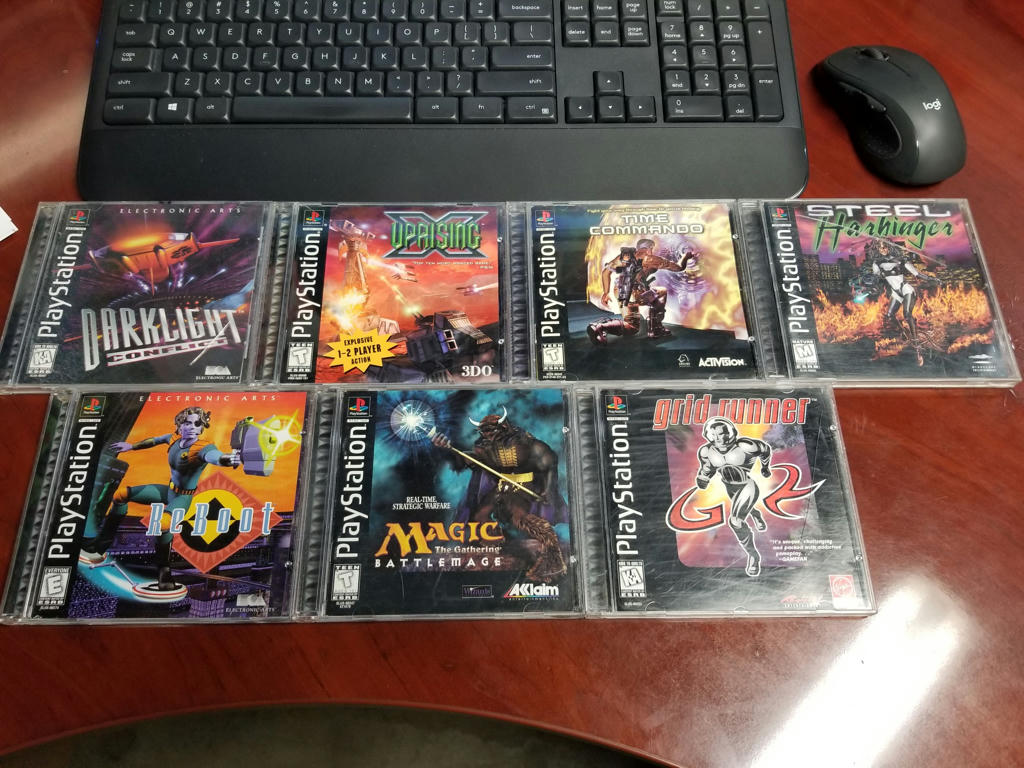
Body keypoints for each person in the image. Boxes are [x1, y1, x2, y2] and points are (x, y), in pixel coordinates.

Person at [79, 406, 240, 594]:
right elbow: (154, 441)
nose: (192, 427)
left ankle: (164, 570)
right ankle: (101, 544)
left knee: (164, 523)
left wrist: (229, 459)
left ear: (202, 427)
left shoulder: (202, 447)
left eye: (197, 424)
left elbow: (215, 457)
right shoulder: (174, 439)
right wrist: (131, 446)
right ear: (179, 425)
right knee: (120, 495)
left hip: (182, 497)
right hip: (168, 491)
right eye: (187, 423)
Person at [431, 408, 567, 583]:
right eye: (484, 431)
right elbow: (467, 461)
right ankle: (497, 545)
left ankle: (552, 554)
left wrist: (548, 488)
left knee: (519, 517)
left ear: (503, 427)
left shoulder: (524, 442)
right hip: (502, 486)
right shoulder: (484, 447)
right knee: (480, 516)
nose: (487, 435)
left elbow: (548, 460)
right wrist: (448, 449)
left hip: (523, 485)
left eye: (491, 431)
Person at [695, 417, 773, 577]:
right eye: (714, 435)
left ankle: (753, 556)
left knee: (735, 521)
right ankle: (756, 514)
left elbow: (765, 450)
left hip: (747, 486)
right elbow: (707, 468)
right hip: (729, 487)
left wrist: (765, 467)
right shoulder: (706, 451)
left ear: (730, 432)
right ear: (709, 435)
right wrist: (703, 478)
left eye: (723, 433)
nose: (720, 439)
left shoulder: (746, 446)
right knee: (743, 510)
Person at [588, 238, 696, 344]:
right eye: (652, 248)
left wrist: (606, 293)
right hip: (635, 293)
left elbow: (605, 273)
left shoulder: (624, 256)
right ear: (649, 248)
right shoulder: (651, 259)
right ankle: (656, 328)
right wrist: (686, 257)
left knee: (632, 327)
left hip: (620, 292)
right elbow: (679, 267)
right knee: (662, 291)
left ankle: (600, 326)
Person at [867, 238, 940, 364]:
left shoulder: (900, 259)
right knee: (889, 315)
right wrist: (873, 286)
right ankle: (906, 334)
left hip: (906, 289)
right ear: (877, 249)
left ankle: (917, 349)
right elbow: (877, 279)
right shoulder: (876, 263)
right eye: (880, 247)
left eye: (885, 247)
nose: (883, 250)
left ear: (889, 247)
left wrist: (932, 279)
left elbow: (917, 274)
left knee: (907, 314)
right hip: (895, 293)